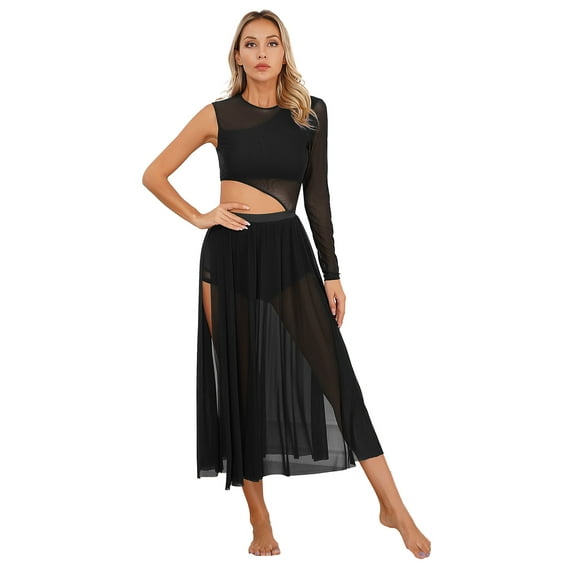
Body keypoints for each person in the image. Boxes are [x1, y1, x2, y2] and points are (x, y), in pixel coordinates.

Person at [142, 9, 431, 559]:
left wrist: (332, 272)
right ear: (237, 55)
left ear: (283, 52)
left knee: (337, 375)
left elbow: (318, 198)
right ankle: (259, 518)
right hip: (227, 258)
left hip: (288, 254)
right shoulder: (216, 115)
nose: (261, 53)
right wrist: (199, 216)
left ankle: (393, 507)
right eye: (250, 44)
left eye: (270, 43)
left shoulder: (310, 113)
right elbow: (154, 174)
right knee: (241, 387)